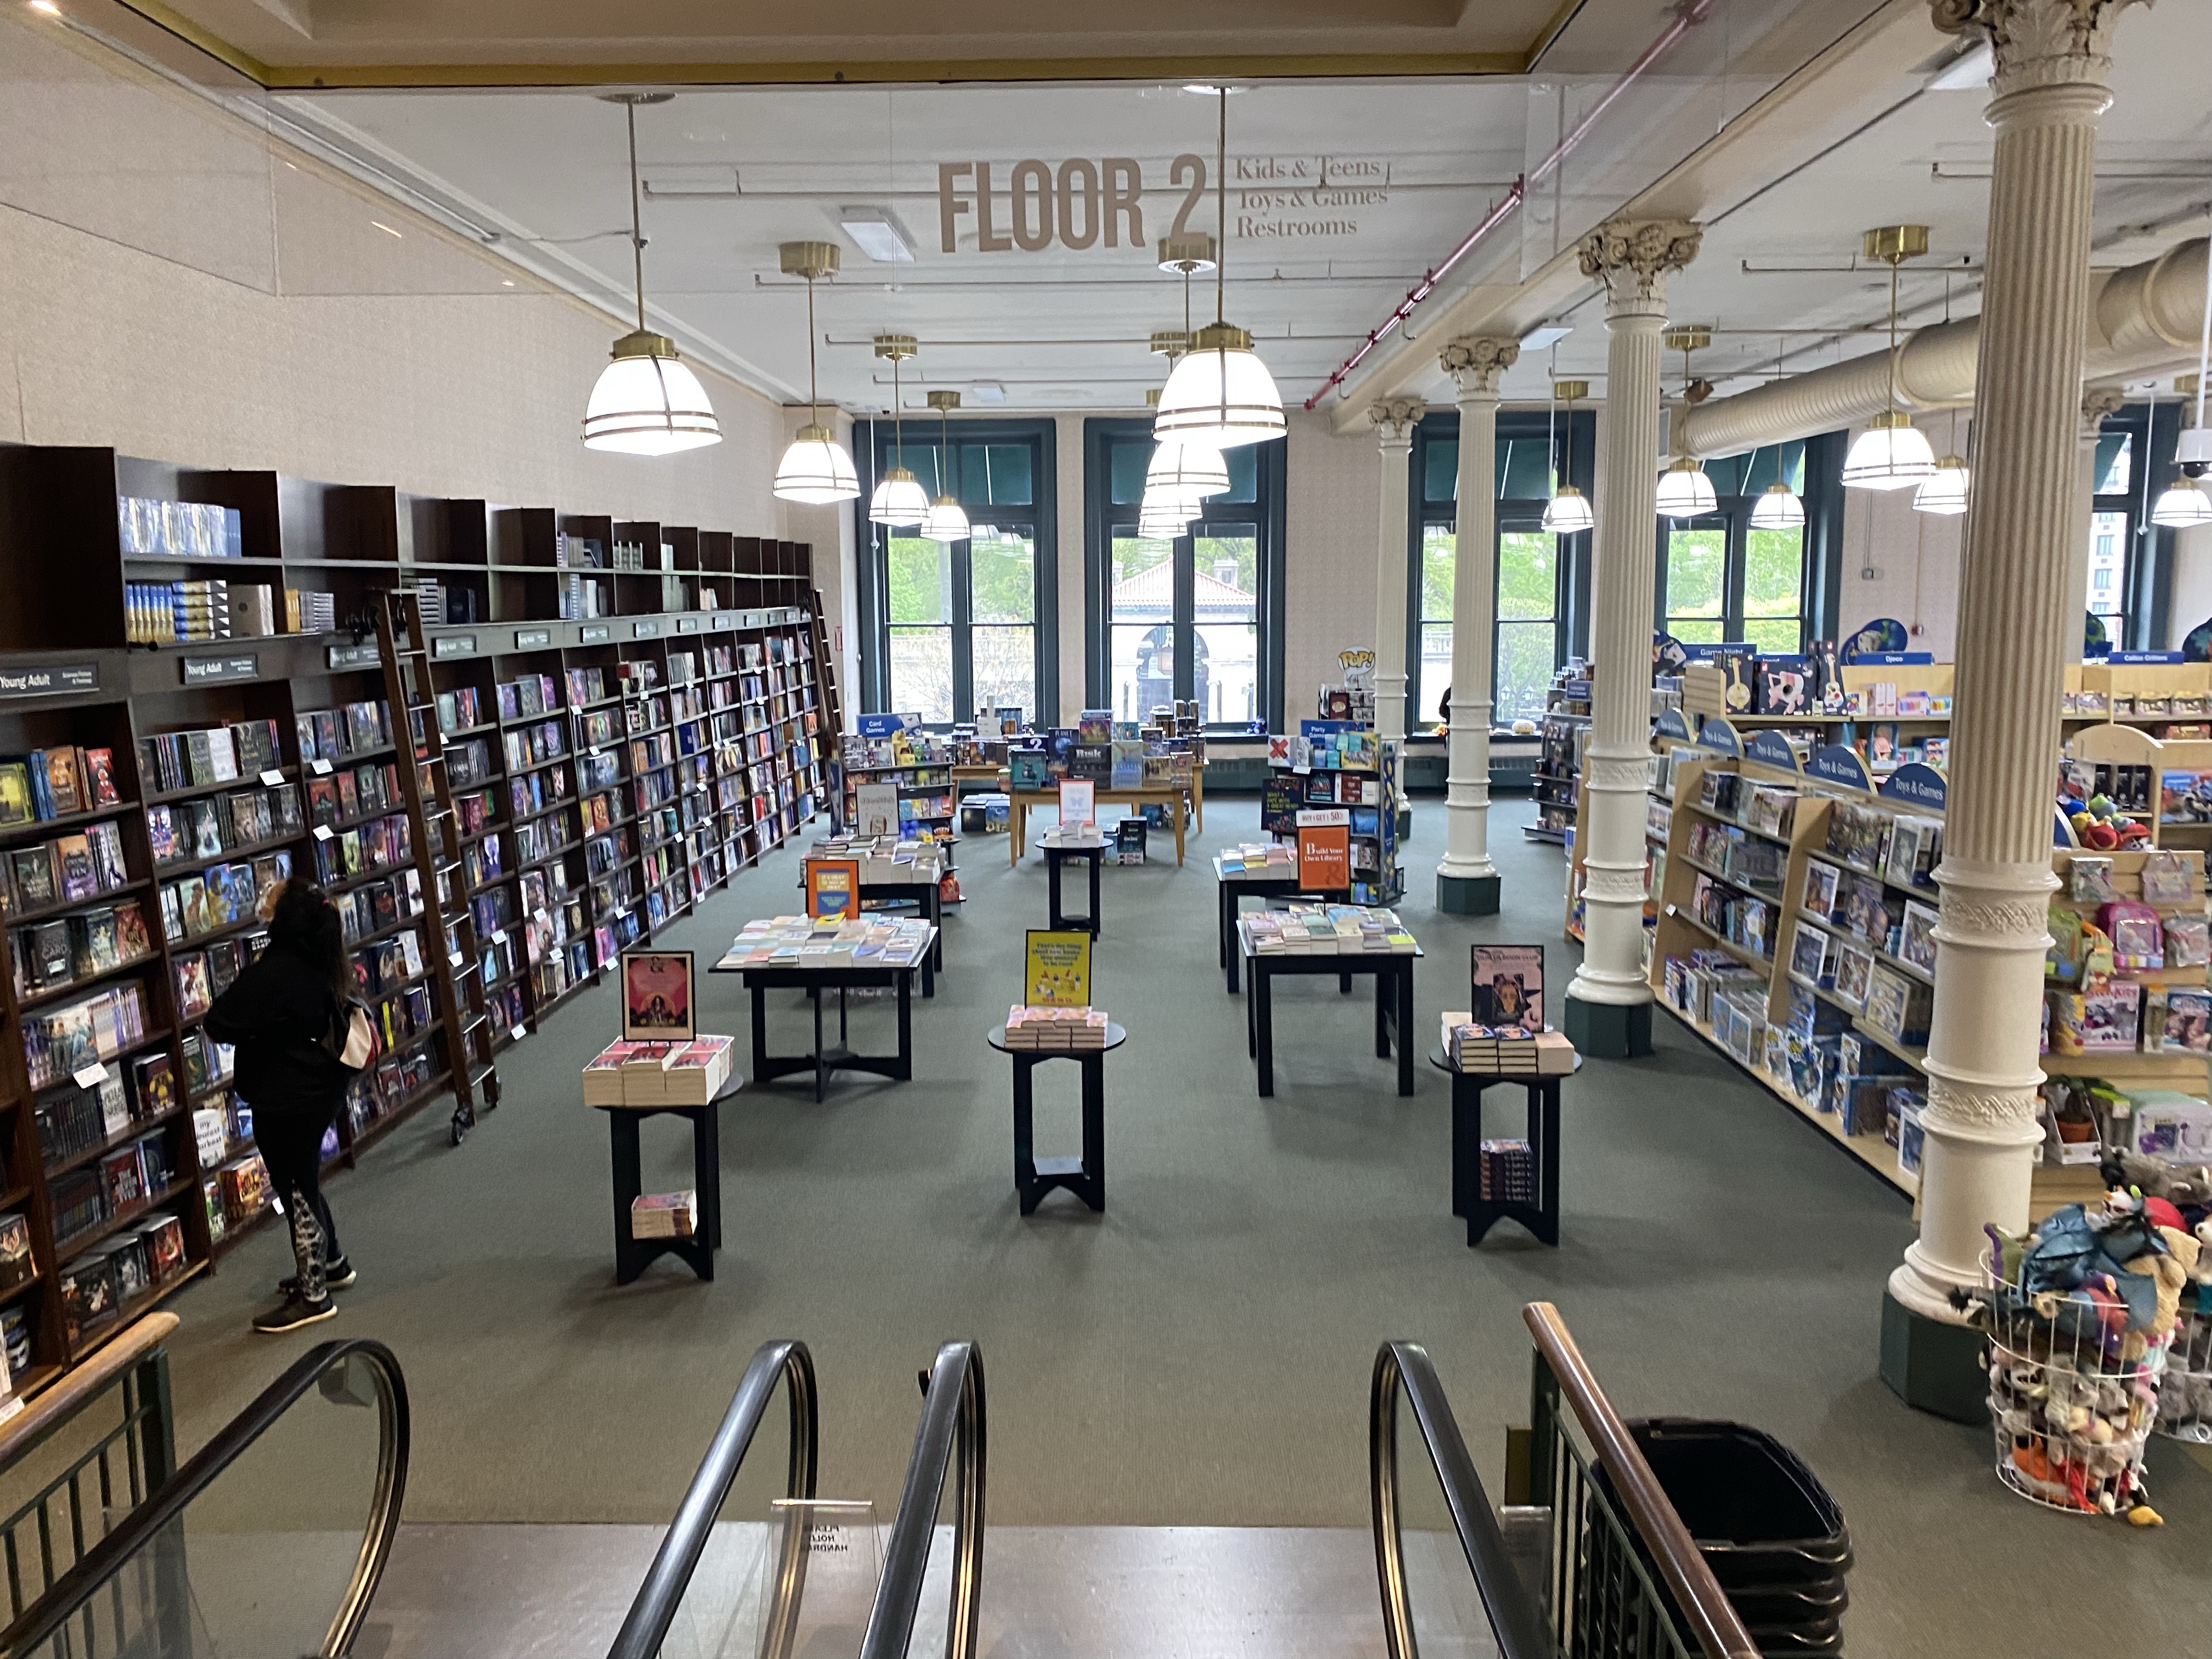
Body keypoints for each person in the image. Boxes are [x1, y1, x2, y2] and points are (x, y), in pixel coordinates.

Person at [206, 879, 360, 1333]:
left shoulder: (275, 971)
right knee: (303, 1176)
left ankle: (314, 1296)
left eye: (270, 899)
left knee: (296, 1184)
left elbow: (219, 1021)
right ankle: (331, 1262)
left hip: (290, 1095)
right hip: (318, 1087)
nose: (262, 902)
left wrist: (256, 1028)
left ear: (284, 918)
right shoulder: (319, 957)